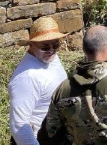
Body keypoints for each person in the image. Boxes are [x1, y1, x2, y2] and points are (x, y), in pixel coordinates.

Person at [8, 16, 68, 145]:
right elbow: (18, 126)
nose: (52, 50)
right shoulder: (27, 77)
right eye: (45, 47)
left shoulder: (50, 58)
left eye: (56, 44)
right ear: (31, 45)